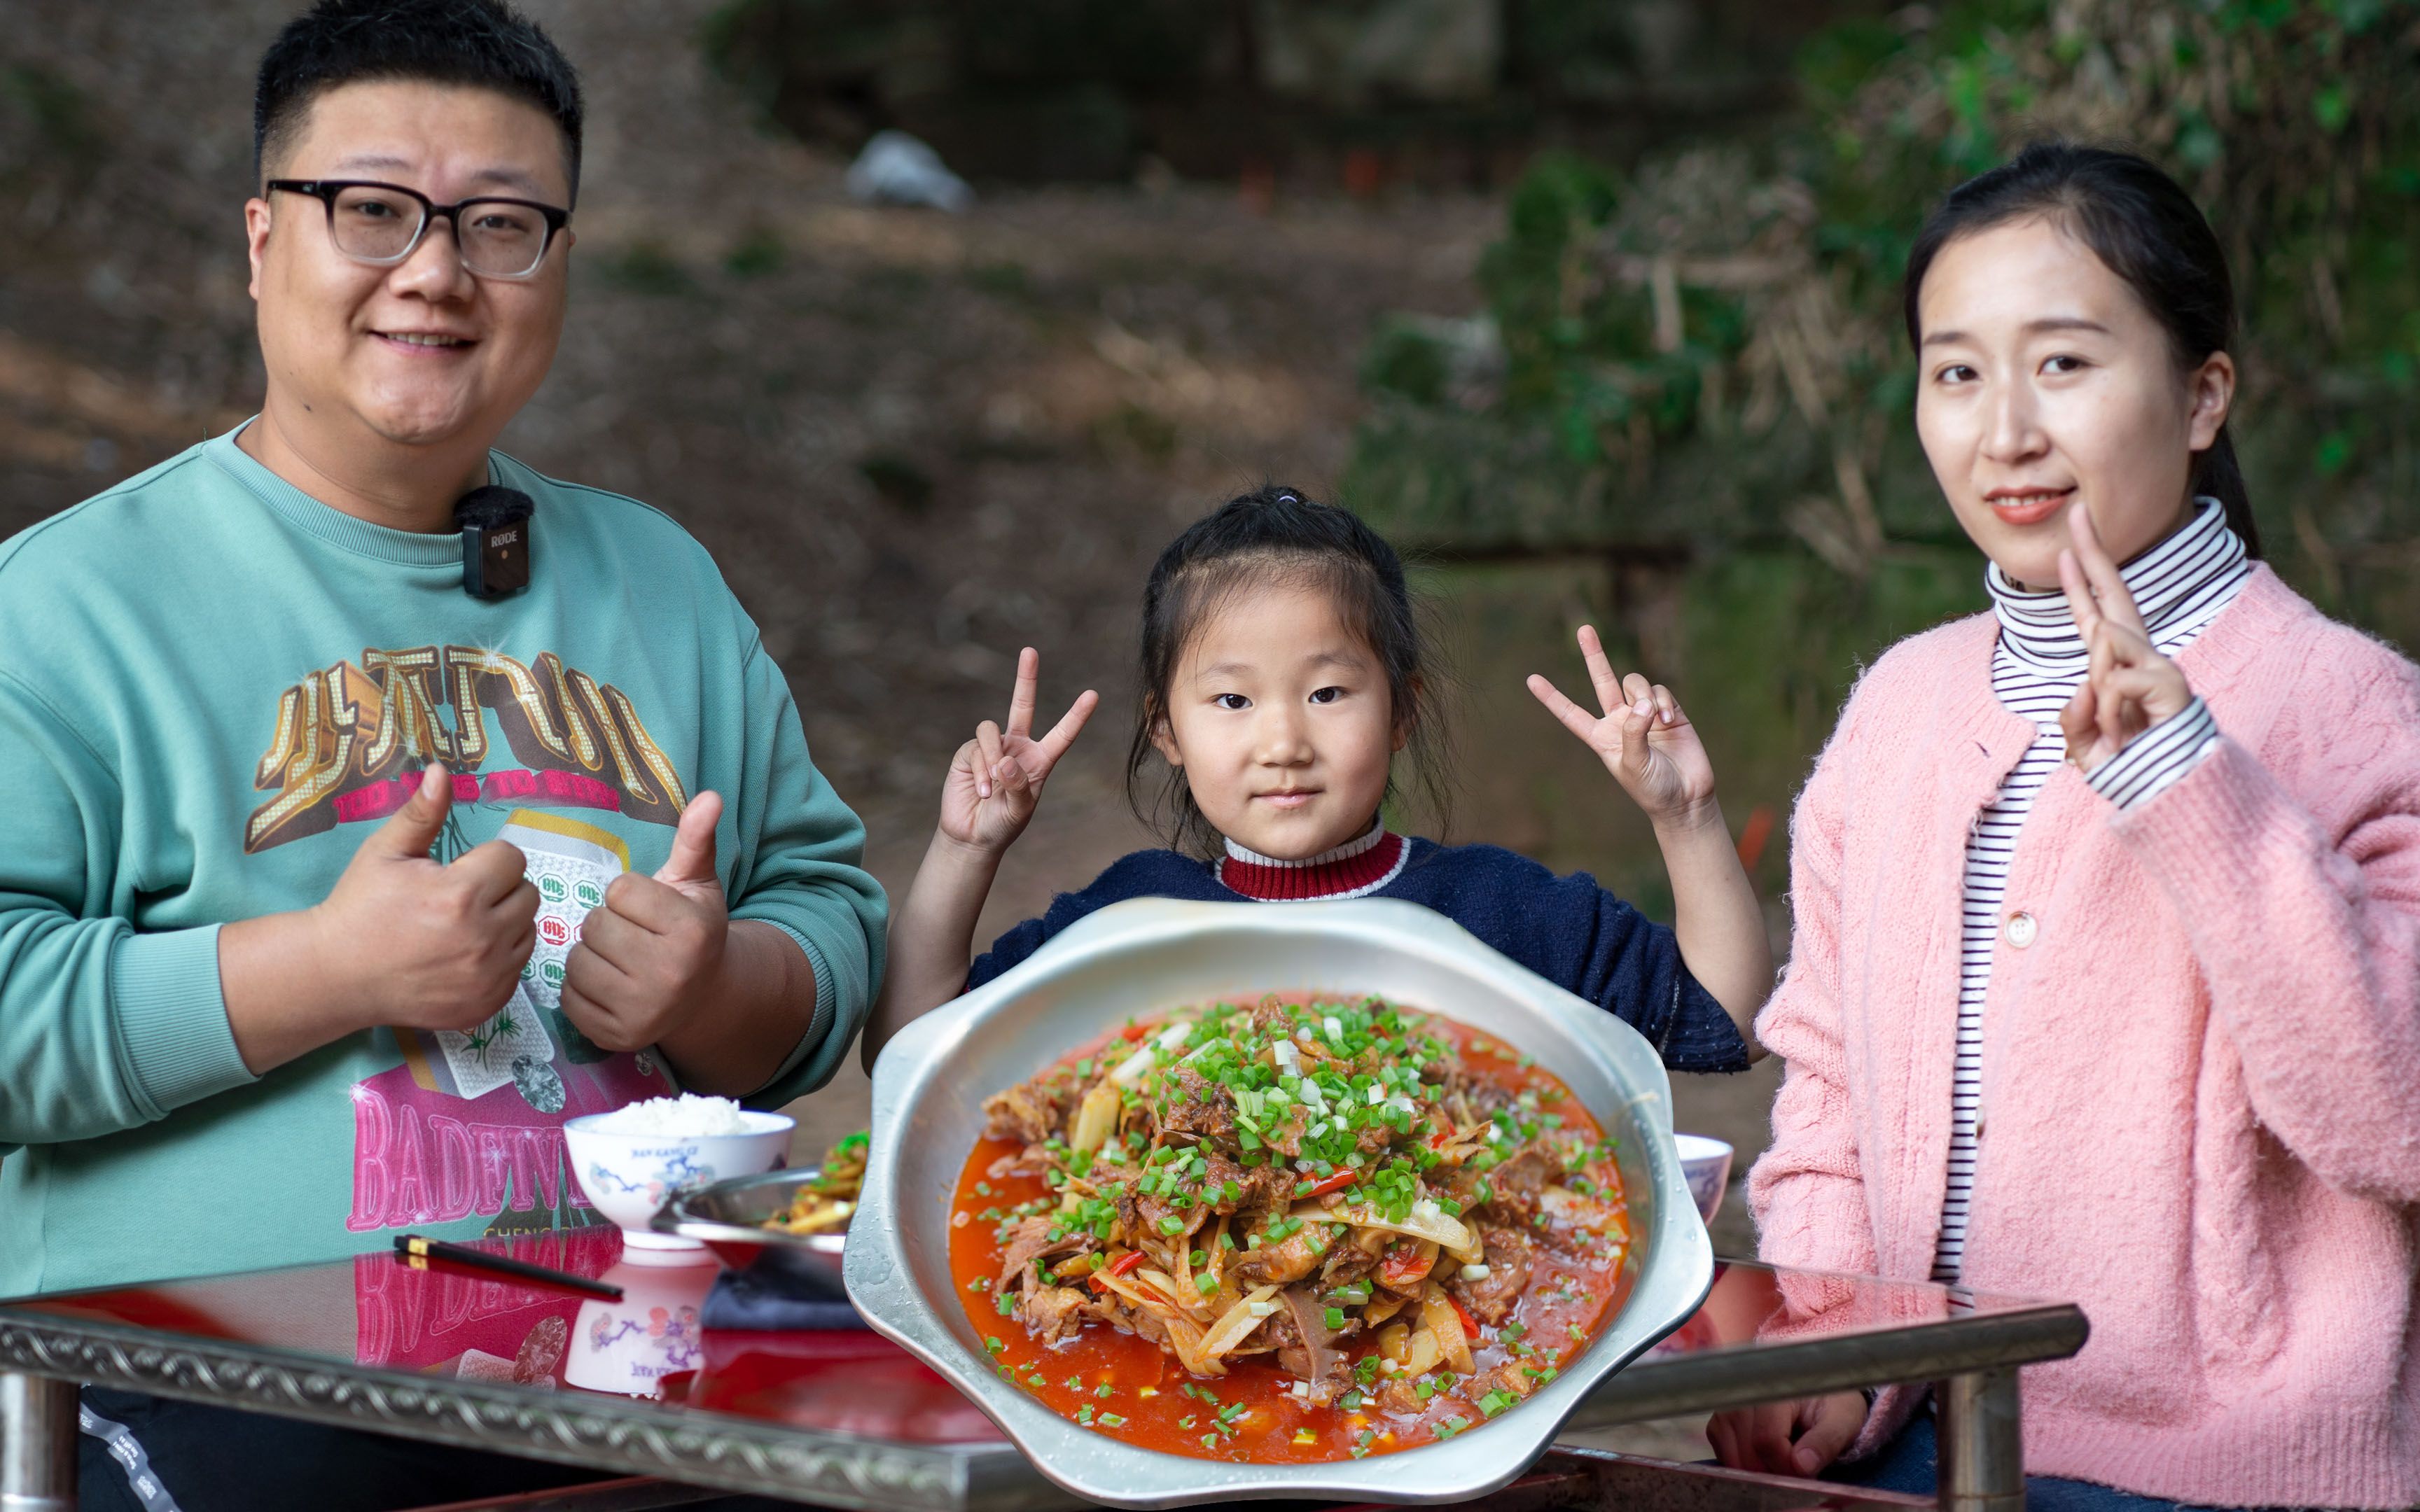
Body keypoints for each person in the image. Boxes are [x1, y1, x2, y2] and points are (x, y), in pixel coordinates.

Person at [0, 2, 884, 1506]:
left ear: (558, 266)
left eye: (499, 224)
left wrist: (718, 984)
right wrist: (324, 971)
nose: (435, 269)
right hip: (193, 1385)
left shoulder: (659, 584)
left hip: (649, 1375)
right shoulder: (63, 607)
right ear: (263, 238)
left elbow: (830, 917)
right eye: (372, 210)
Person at [1711, 143, 2420, 1509]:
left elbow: (2393, 1122)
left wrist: (2190, 783)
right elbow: (1830, 1086)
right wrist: (1828, 1347)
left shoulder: (2357, 711)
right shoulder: (1902, 709)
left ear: (2204, 393)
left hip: (2222, 1478)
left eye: (2066, 364)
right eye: (1957, 371)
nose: (2005, 431)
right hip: (1912, 1445)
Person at [862, 485, 1770, 1077]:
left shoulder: (1502, 913)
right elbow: (912, 1052)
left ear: (1403, 710)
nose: (1284, 740)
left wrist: (1684, 815)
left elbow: (1725, 1021)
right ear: (1164, 730)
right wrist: (964, 850)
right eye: (1231, 700)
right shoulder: (1123, 926)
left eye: (1328, 691)